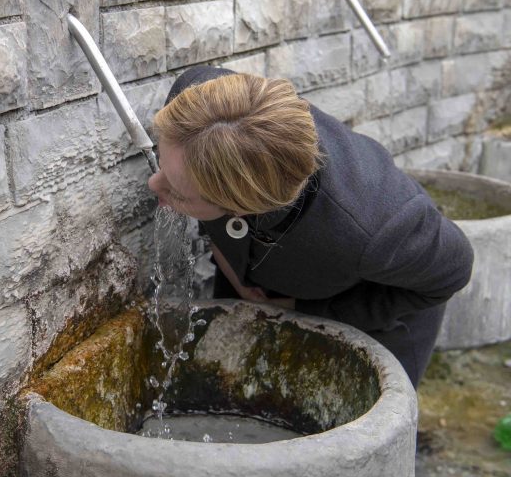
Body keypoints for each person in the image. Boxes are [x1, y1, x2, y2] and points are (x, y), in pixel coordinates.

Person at [147, 65, 474, 388]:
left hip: (372, 313)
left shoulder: (376, 229)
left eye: (178, 193)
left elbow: (454, 270)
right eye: (161, 162)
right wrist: (237, 280)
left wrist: (306, 308)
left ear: (243, 207)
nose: (153, 184)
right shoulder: (194, 100)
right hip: (263, 275)